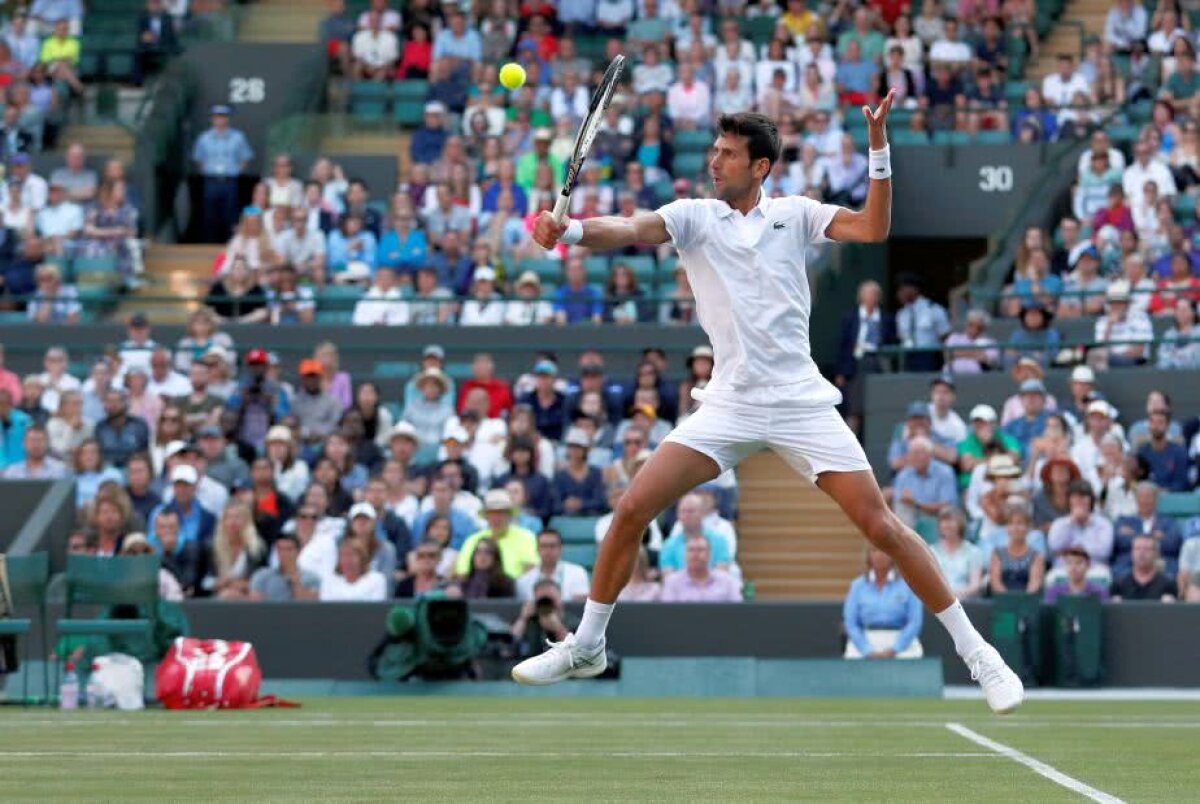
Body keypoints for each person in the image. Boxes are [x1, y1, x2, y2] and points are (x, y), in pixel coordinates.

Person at [510, 104, 1023, 711]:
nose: (714, 161)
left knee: (880, 525)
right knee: (630, 509)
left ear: (759, 167)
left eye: (727, 154)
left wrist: (878, 146)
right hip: (728, 403)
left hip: (800, 402)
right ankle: (587, 645)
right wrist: (566, 231)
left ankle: (979, 655)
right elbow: (626, 227)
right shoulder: (693, 217)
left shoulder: (795, 213)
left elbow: (872, 229)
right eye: (715, 150)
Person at [842, 545, 924, 659]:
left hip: (900, 637)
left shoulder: (908, 585)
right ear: (868, 555)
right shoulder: (857, 586)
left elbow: (915, 622)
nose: (879, 555)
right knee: (852, 656)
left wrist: (895, 649)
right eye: (874, 550)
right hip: (867, 637)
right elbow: (851, 624)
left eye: (884, 550)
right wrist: (866, 650)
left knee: (912, 656)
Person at [191, 105, 253, 243]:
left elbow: (245, 158)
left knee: (231, 214)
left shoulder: (238, 137)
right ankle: (210, 244)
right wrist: (208, 170)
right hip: (211, 181)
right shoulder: (204, 138)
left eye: (223, 117)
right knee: (210, 214)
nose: (220, 120)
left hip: (229, 180)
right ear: (212, 119)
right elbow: (198, 159)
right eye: (217, 117)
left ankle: (231, 244)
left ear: (227, 119)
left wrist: (237, 171)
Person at [454, 488, 538, 579]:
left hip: (516, 589)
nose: (496, 518)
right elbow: (462, 572)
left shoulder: (526, 537)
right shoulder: (473, 539)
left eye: (501, 513)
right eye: (492, 513)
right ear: (486, 517)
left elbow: (532, 567)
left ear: (509, 515)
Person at [661, 532, 742, 602]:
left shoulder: (728, 582)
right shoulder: (672, 582)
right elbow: (667, 616)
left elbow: (737, 613)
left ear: (709, 554)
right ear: (684, 554)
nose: (695, 554)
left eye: (700, 549)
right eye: (691, 550)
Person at [515, 528, 591, 602]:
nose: (548, 550)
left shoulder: (577, 573)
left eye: (552, 546)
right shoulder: (524, 580)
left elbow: (579, 608)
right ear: (537, 549)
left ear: (561, 548)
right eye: (544, 546)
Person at [931, 508, 985, 599]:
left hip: (964, 603)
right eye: (943, 521)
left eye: (951, 521)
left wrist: (952, 596)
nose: (946, 525)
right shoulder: (930, 551)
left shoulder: (974, 552)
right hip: (936, 601)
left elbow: (975, 586)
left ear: (961, 525)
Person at [1111, 534, 1177, 602]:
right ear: (1131, 553)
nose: (1141, 553)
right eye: (1137, 549)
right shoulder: (1119, 583)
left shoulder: (1168, 584)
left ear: (1157, 554)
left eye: (1147, 549)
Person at [320, 540, 387, 601]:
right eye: (343, 556)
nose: (347, 560)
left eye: (351, 555)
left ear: (362, 559)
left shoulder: (377, 580)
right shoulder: (329, 581)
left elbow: (377, 610)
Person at [1044, 545, 1110, 603]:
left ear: (1088, 565)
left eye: (1078, 562)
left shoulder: (1099, 592)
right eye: (1069, 563)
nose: (1073, 567)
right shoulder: (1054, 592)